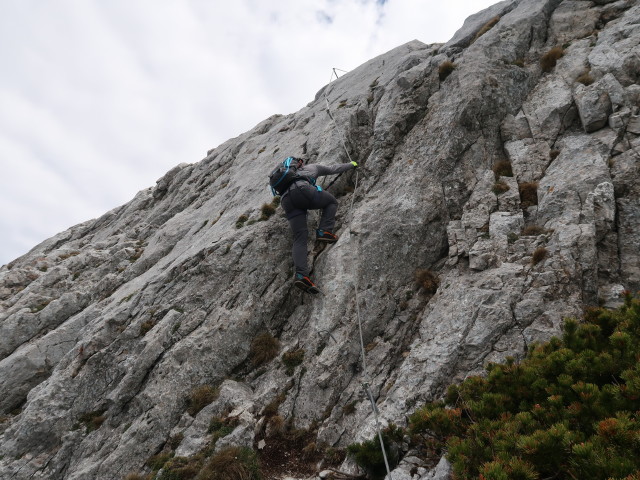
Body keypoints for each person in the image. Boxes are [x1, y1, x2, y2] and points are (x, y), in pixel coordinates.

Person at [280, 157, 358, 293]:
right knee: (331, 202)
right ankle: (324, 231)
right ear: (300, 163)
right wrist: (351, 164)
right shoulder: (312, 168)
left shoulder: (285, 179)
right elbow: (334, 169)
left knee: (300, 238)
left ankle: (301, 275)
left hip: (286, 200)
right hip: (302, 189)